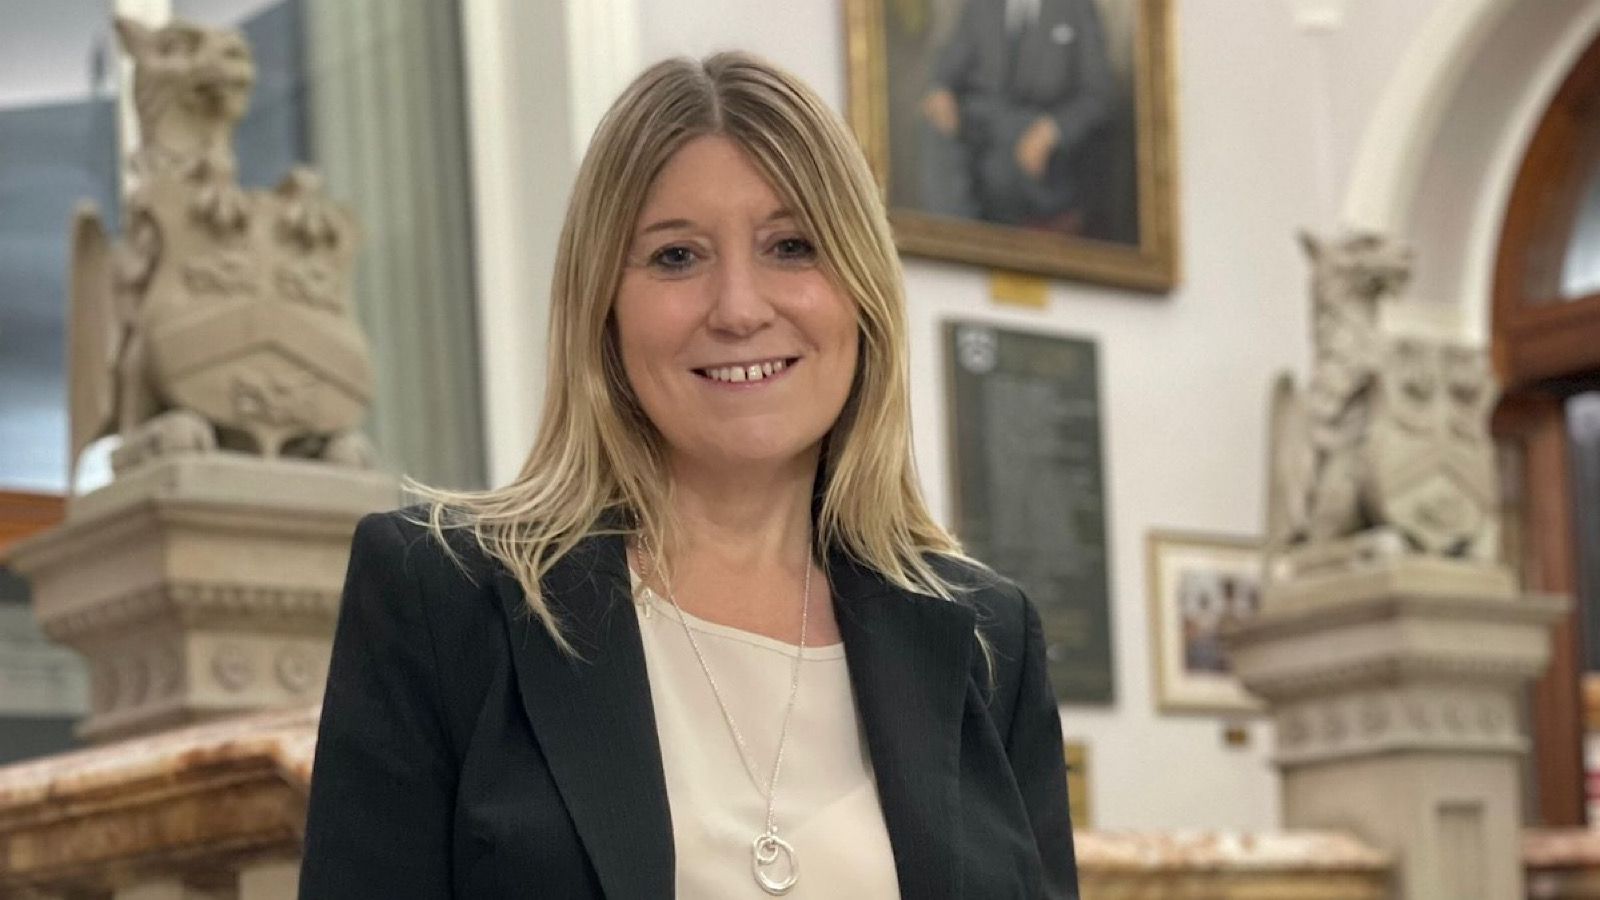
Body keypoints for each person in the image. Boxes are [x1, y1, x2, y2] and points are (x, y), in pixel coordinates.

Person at [298, 51, 1078, 899]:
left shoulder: (987, 639)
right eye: (676, 257)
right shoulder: (441, 596)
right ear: (604, 306)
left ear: (862, 292)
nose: (739, 307)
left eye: (792, 246)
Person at [919, 0, 1116, 232]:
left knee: (999, 170)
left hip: (1038, 145)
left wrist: (1053, 130)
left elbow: (1100, 96)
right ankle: (953, 241)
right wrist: (941, 91)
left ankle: (972, 246)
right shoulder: (981, 6)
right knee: (936, 131)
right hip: (980, 129)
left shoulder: (1075, 7)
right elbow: (948, 70)